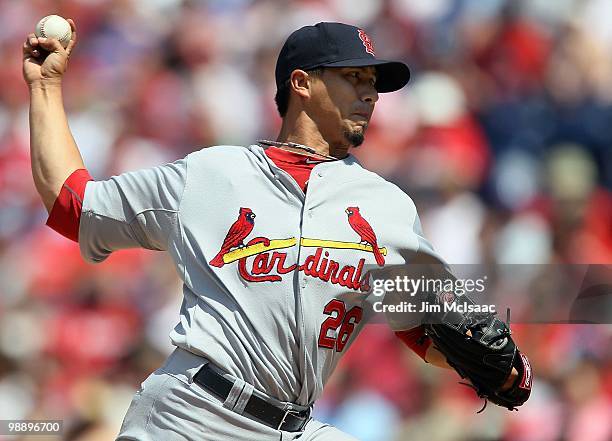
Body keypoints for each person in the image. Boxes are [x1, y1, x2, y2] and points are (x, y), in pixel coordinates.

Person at [23, 20, 528, 441]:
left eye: (374, 83)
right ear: (302, 83)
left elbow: (427, 330)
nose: (371, 94)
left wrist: (492, 367)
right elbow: (75, 206)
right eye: (354, 77)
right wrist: (45, 87)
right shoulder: (211, 174)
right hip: (190, 414)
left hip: (293, 426)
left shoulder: (388, 208)